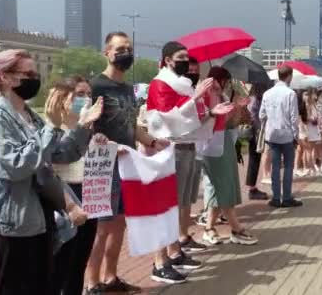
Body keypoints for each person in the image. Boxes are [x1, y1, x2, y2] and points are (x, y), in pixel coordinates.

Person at [0, 49, 101, 294]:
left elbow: (60, 155)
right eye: (27, 73)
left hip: (41, 222)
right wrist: (51, 125)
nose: (34, 78)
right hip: (14, 225)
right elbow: (13, 167)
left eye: (35, 73)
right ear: (4, 77)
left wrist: (81, 127)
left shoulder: (31, 117)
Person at [86, 32, 171, 294]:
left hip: (127, 167)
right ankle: (92, 283)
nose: (126, 53)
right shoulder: (95, 87)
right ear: (107, 53)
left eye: (129, 48)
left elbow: (130, 125)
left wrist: (153, 142)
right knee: (101, 228)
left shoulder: (127, 88)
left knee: (120, 223)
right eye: (120, 48)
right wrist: (102, 145)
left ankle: (111, 277)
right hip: (101, 168)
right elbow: (83, 127)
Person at [145, 42, 233, 283]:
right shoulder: (160, 83)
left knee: (180, 203)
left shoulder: (183, 85)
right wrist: (195, 97)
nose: (186, 62)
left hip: (186, 147)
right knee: (165, 206)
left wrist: (213, 113)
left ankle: (174, 251)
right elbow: (168, 119)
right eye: (180, 57)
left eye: (187, 57)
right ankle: (159, 261)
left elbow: (193, 118)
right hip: (168, 149)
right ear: (167, 60)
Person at [51, 76, 109, 295]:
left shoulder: (87, 127)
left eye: (88, 94)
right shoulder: (53, 127)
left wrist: (98, 142)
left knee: (79, 261)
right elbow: (57, 159)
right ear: (64, 96)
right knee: (62, 262)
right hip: (65, 195)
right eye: (79, 94)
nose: (85, 99)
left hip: (89, 193)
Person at [200, 67, 258, 245]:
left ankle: (210, 227)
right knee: (223, 185)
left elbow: (230, 124)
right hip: (212, 146)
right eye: (225, 80)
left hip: (224, 143)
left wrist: (239, 109)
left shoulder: (222, 97)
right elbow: (213, 122)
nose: (225, 84)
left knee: (222, 186)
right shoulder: (205, 96)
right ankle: (236, 228)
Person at [259, 66, 303, 208]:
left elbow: (261, 115)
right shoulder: (290, 94)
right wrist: (296, 136)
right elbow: (294, 117)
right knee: (289, 167)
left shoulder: (267, 93)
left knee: (275, 166)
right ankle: (287, 197)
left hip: (272, 134)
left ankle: (276, 197)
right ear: (289, 76)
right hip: (287, 135)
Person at [245, 83, 271, 200]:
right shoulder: (255, 99)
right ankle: (252, 188)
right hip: (254, 132)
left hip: (255, 131)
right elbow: (253, 116)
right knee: (254, 159)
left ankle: (252, 187)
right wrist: (259, 128)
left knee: (255, 158)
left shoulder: (255, 98)